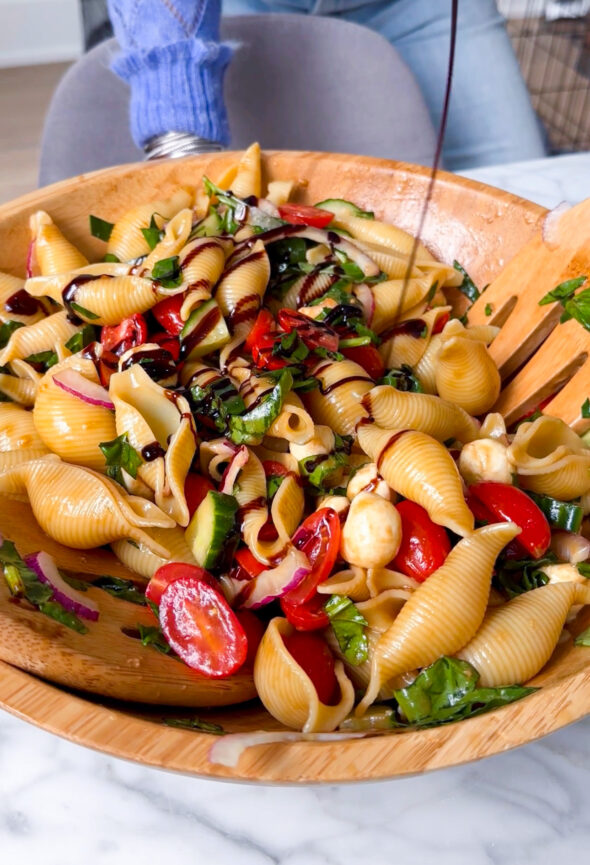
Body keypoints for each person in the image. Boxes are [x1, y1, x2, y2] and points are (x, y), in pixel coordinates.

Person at [107, 0, 546, 170]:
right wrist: (181, 136)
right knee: (271, 200)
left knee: (519, 180)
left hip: (424, 7)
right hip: (247, 7)